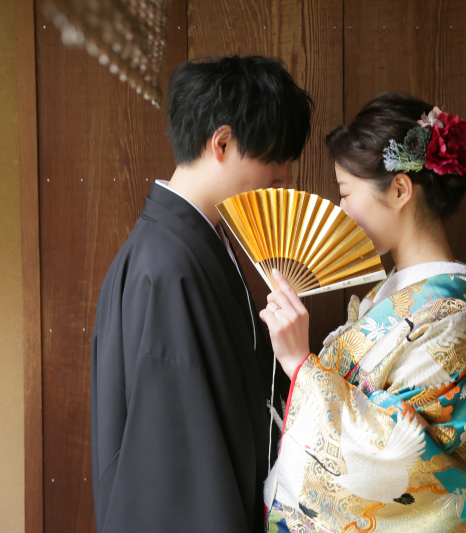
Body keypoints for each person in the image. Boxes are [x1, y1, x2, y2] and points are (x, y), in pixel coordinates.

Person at [259, 93, 466, 532]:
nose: (341, 211)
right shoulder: (397, 294)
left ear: (399, 190)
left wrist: (299, 364)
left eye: (346, 193)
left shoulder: (450, 320)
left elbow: (393, 458)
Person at [91, 56, 312, 533]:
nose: (284, 177)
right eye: (274, 158)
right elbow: (174, 453)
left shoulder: (196, 242)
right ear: (222, 143)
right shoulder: (165, 265)